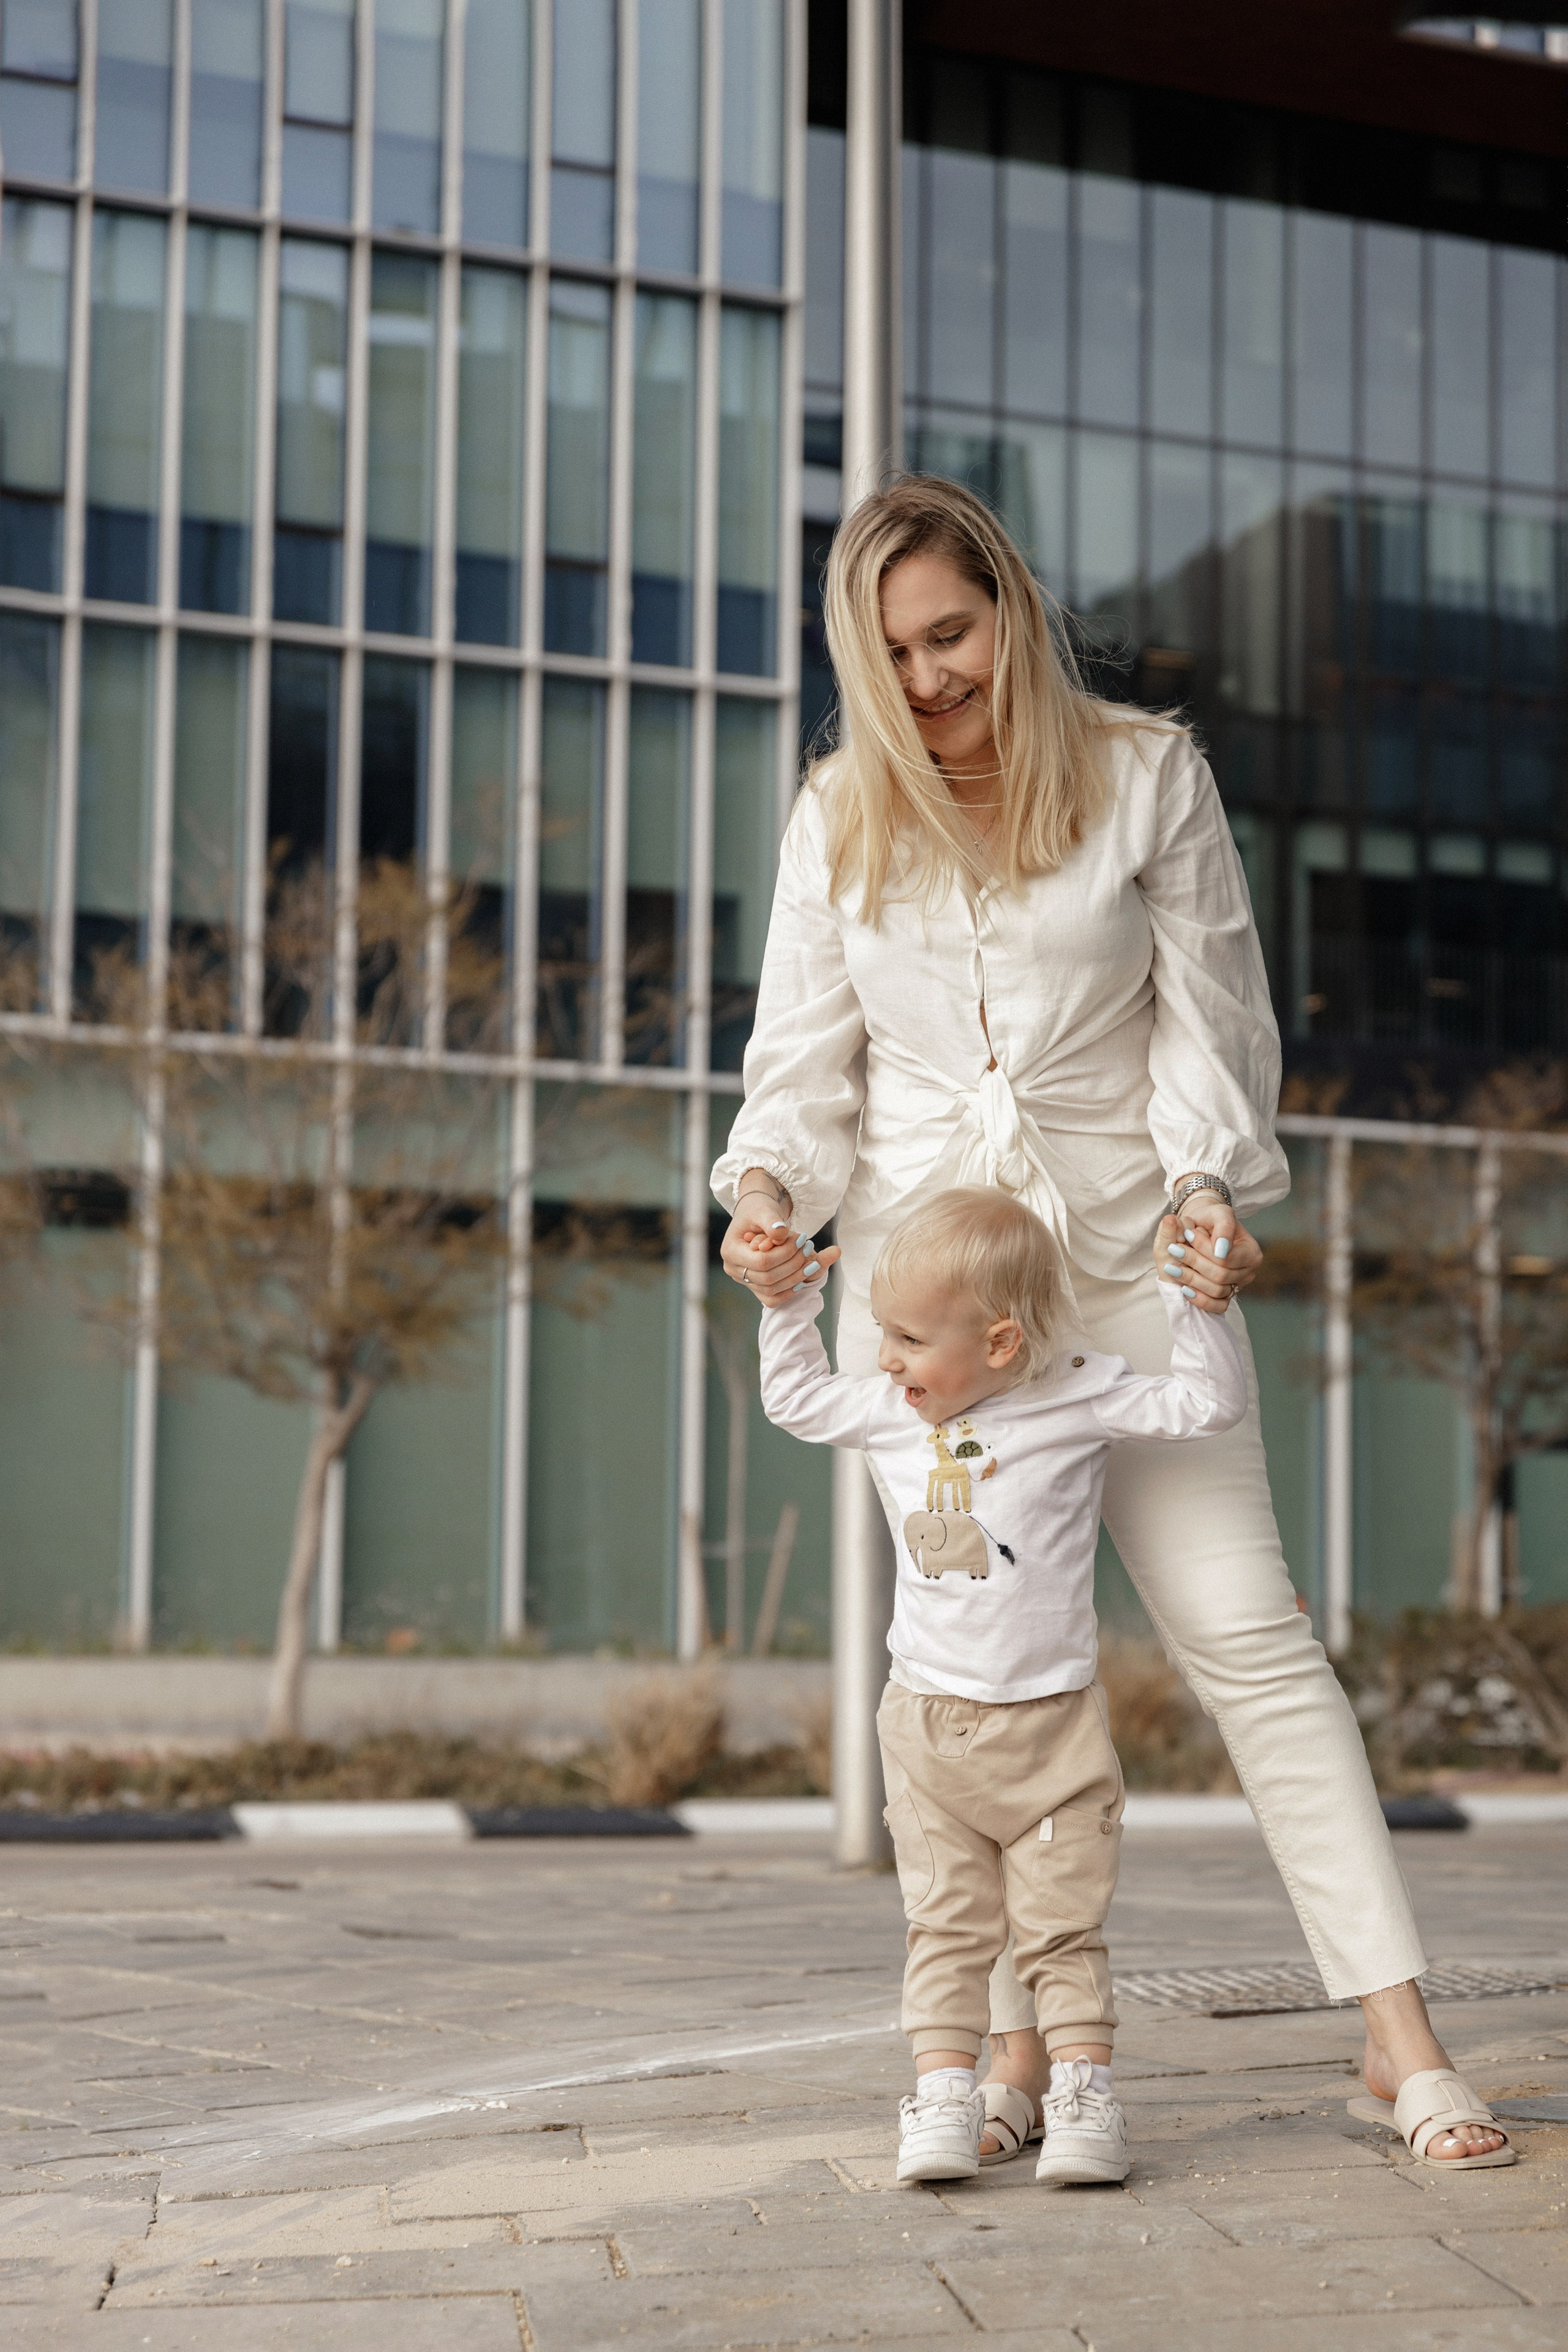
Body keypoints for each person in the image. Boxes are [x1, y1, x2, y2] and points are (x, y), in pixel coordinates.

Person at [711, 473, 1515, 2174]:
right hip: (927, 1304)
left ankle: (1398, 2039)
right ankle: (1012, 2055)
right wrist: (769, 1200)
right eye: (895, 652)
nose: (932, 679)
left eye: (953, 633)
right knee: (983, 1669)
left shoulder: (1150, 777)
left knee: (1250, 1636)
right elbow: (801, 1066)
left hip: (1134, 1272)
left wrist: (1210, 1193)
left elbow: (1214, 1027)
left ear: (1007, 601)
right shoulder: (839, 812)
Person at [756, 1185, 1248, 2185]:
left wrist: (1202, 1308)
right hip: (928, 1727)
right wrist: (785, 1309)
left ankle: (1082, 2097)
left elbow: (1209, 1405)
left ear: (1002, 1342)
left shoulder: (1078, 1394)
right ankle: (943, 2095)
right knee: (945, 1926)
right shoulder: (894, 1411)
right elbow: (796, 1401)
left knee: (1065, 1930)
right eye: (881, 1335)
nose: (886, 1359)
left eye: (907, 1337)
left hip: (1054, 1728)